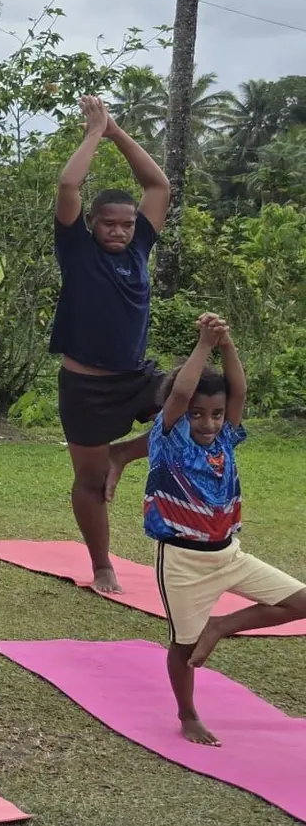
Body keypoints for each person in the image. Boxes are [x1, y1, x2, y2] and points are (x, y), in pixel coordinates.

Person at [147, 314, 306, 746]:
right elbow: (182, 391)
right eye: (198, 415)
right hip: (182, 561)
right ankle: (187, 714)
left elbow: (240, 391)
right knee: (183, 646)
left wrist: (227, 343)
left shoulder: (226, 439)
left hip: (229, 554)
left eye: (216, 414)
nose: (208, 423)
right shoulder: (168, 437)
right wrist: (204, 344)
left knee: (301, 601)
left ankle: (220, 626)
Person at [54, 94, 171, 594]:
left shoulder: (142, 242)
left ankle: (126, 454)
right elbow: (68, 184)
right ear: (93, 224)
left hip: (135, 378)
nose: (120, 231)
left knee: (207, 403)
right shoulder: (76, 249)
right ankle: (102, 565)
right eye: (110, 223)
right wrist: (93, 135)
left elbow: (157, 184)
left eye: (126, 224)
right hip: (85, 387)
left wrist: (118, 131)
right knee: (88, 480)